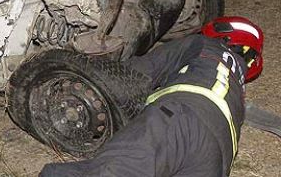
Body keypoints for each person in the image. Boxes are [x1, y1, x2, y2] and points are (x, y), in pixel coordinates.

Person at [41, 16, 264, 177]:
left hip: (179, 121)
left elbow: (138, 72)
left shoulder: (203, 44)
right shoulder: (237, 90)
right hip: (216, 161)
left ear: (221, 36)